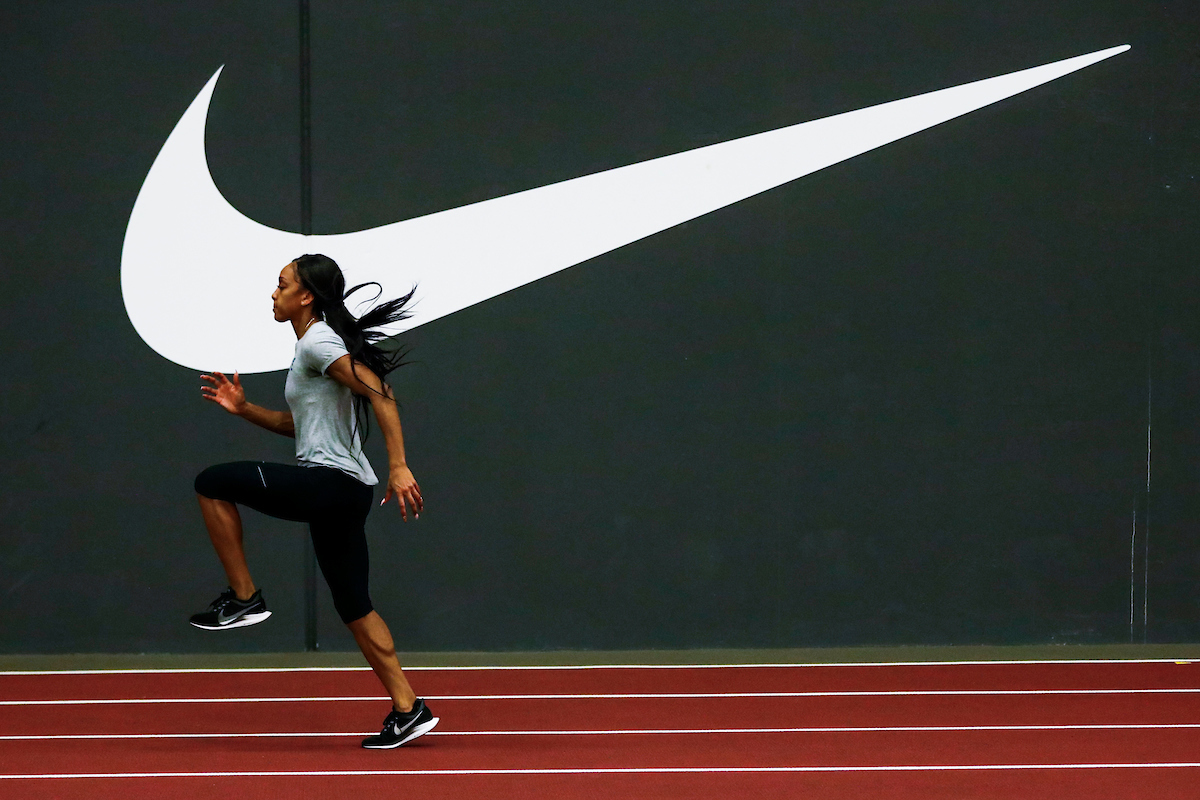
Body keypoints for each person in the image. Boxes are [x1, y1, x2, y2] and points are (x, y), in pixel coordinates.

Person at [190, 253, 437, 749]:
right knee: (355, 607)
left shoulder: (318, 340)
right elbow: (299, 427)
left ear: (305, 296)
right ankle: (409, 708)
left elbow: (381, 392)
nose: (273, 293)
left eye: (281, 285)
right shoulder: (312, 345)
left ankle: (245, 598)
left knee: (211, 481)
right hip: (344, 492)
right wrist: (244, 410)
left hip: (331, 485)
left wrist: (399, 464)